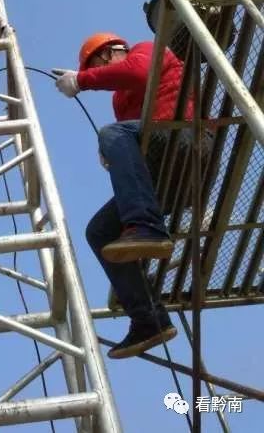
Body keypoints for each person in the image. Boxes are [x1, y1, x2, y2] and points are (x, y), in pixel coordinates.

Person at [54, 32, 194, 359]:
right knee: (99, 231)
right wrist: (114, 151)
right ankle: (149, 319)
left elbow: (139, 72)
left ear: (115, 51)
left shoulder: (146, 51)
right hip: (162, 174)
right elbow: (130, 131)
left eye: (100, 62)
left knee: (112, 132)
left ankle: (146, 227)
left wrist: (82, 81)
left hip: (183, 138)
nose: (100, 69)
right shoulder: (120, 99)